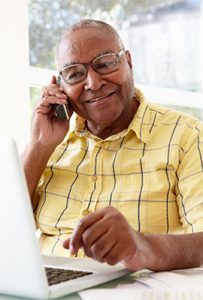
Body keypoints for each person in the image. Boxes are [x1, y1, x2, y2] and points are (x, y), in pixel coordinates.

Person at [23, 19, 203, 272]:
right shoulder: (49, 143)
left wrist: (140, 246)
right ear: (60, 86)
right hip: (48, 289)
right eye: (75, 73)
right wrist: (40, 145)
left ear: (128, 62)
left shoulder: (186, 136)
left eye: (105, 63)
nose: (93, 83)